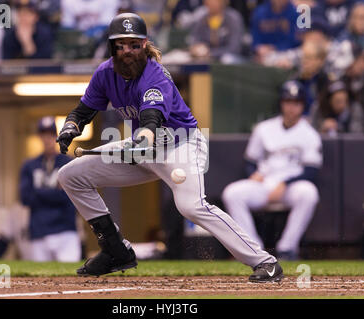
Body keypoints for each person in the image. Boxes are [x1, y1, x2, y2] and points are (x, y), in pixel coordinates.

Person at [56, 12, 284, 283]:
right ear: (112, 48)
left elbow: (151, 120)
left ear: (145, 44)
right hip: (143, 148)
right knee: (70, 176)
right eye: (121, 45)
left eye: (134, 44)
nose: (127, 51)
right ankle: (115, 250)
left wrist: (142, 140)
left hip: (181, 146)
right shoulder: (105, 73)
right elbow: (84, 109)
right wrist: (71, 126)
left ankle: (265, 262)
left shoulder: (155, 75)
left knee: (191, 206)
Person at [221, 80, 322, 261]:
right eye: (288, 102)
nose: (291, 107)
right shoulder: (264, 128)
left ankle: (287, 248)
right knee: (232, 193)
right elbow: (250, 160)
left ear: (302, 105)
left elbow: (311, 170)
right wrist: (253, 173)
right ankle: (253, 249)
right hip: (265, 183)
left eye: (296, 103)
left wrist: (285, 184)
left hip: (292, 185)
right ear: (281, 103)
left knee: (309, 193)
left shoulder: (309, 134)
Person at [19, 116, 81, 262]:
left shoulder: (68, 163)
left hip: (66, 230)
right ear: (39, 137)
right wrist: (56, 191)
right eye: (43, 134)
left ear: (56, 136)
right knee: (40, 279)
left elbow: (72, 197)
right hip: (39, 231)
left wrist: (39, 192)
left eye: (51, 134)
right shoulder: (30, 165)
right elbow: (25, 198)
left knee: (70, 276)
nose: (47, 138)